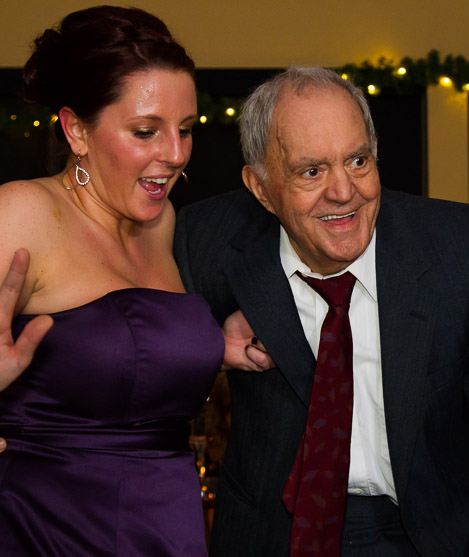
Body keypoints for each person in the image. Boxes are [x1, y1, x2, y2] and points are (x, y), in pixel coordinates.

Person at [174, 65, 469, 557]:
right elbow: (122, 353)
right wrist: (204, 346)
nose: (345, 192)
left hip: (428, 534)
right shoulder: (204, 242)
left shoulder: (464, 247)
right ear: (260, 189)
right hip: (270, 535)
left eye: (358, 161)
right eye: (311, 171)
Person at [0, 6, 264, 555]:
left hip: (164, 520)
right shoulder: (20, 213)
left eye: (186, 130)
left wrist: (212, 345)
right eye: (146, 131)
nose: (174, 155)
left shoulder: (161, 222)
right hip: (42, 525)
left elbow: (118, 360)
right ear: (76, 130)